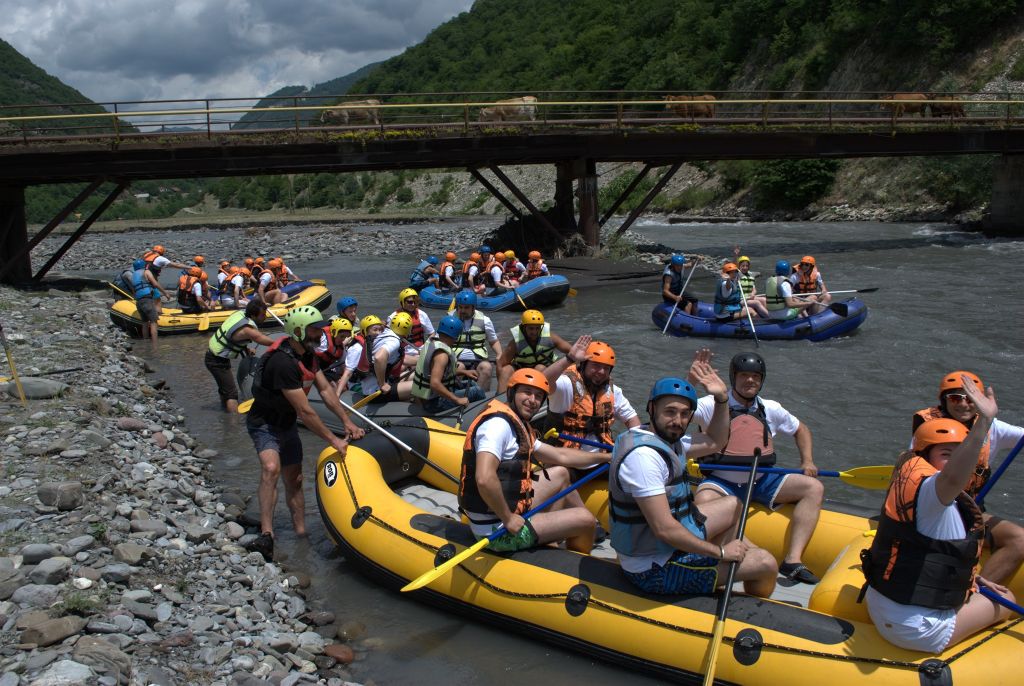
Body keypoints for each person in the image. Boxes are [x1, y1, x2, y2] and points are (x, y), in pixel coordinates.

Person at [863, 382, 1015, 654]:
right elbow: (954, 477)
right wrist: (984, 423)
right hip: (915, 628)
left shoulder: (910, 476)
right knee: (1006, 598)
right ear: (927, 456)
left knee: (980, 585)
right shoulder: (934, 491)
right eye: (946, 454)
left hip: (883, 602)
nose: (956, 461)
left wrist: (972, 580)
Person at [609, 367, 779, 598]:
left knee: (732, 504)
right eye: (669, 412)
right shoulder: (644, 458)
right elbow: (665, 530)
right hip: (653, 569)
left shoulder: (669, 440)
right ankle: (745, 598)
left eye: (684, 414)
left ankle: (732, 557)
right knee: (766, 563)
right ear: (651, 409)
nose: (677, 421)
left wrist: (721, 400)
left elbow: (716, 441)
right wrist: (719, 552)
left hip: (664, 547)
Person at [692, 352, 823, 584]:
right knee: (702, 504)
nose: (750, 381)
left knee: (813, 488)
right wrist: (691, 383)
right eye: (744, 375)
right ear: (734, 377)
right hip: (722, 482)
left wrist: (807, 461)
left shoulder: (770, 408)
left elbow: (801, 429)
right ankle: (750, 553)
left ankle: (792, 560)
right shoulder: (709, 404)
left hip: (762, 479)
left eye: (755, 376)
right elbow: (677, 408)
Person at [245, 306, 365, 558]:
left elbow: (325, 391)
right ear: (299, 331)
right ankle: (267, 534)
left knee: (296, 479)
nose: (320, 334)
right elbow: (305, 411)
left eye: (320, 330)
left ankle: (300, 534)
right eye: (314, 330)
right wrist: (334, 441)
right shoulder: (282, 363)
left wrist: (347, 422)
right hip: (265, 423)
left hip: (286, 423)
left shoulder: (309, 355)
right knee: (270, 468)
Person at [459, 368, 609, 554]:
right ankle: (575, 556)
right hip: (496, 530)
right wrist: (507, 518)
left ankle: (557, 534)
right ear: (512, 392)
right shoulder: (497, 427)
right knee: (585, 519)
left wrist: (607, 457)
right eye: (527, 392)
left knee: (561, 473)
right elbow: (484, 477)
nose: (533, 400)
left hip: (506, 509)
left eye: (538, 396)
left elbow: (560, 456)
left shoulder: (517, 423)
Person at [912, 370, 1024, 584]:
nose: (963, 404)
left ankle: (972, 591)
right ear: (944, 401)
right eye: (955, 398)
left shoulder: (994, 427)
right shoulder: (927, 430)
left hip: (969, 511)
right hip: (933, 510)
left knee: (1020, 539)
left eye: (970, 398)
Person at [542, 337, 642, 475]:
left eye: (606, 368)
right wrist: (570, 358)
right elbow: (542, 381)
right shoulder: (566, 385)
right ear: (583, 365)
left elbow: (632, 420)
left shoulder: (613, 391)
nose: (601, 372)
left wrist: (634, 444)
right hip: (566, 460)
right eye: (595, 365)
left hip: (602, 459)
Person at [206, 300, 276, 412]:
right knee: (232, 394)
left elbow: (234, 337)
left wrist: (246, 349)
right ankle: (234, 423)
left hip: (214, 356)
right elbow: (263, 339)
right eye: (262, 315)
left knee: (225, 388)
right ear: (253, 315)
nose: (265, 317)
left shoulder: (240, 314)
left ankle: (224, 413)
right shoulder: (248, 329)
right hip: (216, 361)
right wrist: (284, 344)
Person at [411, 315, 486, 414]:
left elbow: (442, 372)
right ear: (456, 335)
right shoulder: (442, 355)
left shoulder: (432, 342)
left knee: (471, 383)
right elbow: (435, 383)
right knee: (477, 391)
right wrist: (457, 400)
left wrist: (464, 372)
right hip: (432, 402)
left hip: (431, 395)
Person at [496, 309, 572, 393]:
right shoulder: (515, 343)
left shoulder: (551, 337)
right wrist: (501, 381)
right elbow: (500, 364)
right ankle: (500, 399)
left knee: (539, 368)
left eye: (537, 328)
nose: (534, 332)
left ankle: (540, 395)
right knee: (506, 369)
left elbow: (572, 352)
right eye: (531, 328)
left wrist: (571, 370)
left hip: (543, 371)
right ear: (524, 328)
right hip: (522, 371)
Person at [451, 291, 501, 393]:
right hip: (457, 358)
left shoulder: (485, 320)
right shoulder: (450, 319)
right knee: (459, 367)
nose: (462, 310)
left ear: (473, 307)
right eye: (460, 307)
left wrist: (499, 354)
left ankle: (481, 397)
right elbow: (441, 341)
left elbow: (493, 341)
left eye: (466, 308)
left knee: (487, 368)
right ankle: (454, 397)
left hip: (478, 359)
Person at [142, 245, 187, 318]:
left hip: (143, 280)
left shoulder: (146, 255)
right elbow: (176, 265)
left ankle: (149, 311)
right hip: (151, 282)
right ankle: (159, 316)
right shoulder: (160, 258)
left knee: (151, 298)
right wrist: (189, 267)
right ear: (161, 252)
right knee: (157, 299)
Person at [132, 257, 170, 341]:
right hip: (147, 299)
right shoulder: (146, 271)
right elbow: (155, 284)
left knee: (145, 322)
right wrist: (165, 293)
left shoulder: (133, 275)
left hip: (139, 301)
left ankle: (145, 341)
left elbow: (134, 290)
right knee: (153, 322)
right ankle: (155, 344)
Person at [314, 317, 354, 393]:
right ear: (334, 332)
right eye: (342, 336)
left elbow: (344, 366)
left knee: (343, 387)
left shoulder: (341, 348)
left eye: (346, 337)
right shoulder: (322, 340)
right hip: (312, 366)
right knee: (333, 385)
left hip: (324, 369)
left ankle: (335, 400)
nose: (344, 339)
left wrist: (344, 379)